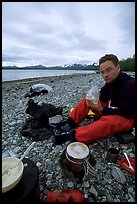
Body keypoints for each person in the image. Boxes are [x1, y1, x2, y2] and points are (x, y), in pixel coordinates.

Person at [51, 54, 135, 145]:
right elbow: (102, 96)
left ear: (118, 67)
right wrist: (93, 97)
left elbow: (126, 112)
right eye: (102, 72)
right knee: (89, 98)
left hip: (127, 118)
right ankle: (70, 123)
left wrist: (102, 110)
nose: (105, 75)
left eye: (109, 70)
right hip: (113, 110)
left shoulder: (131, 84)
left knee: (109, 122)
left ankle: (71, 136)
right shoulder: (111, 82)